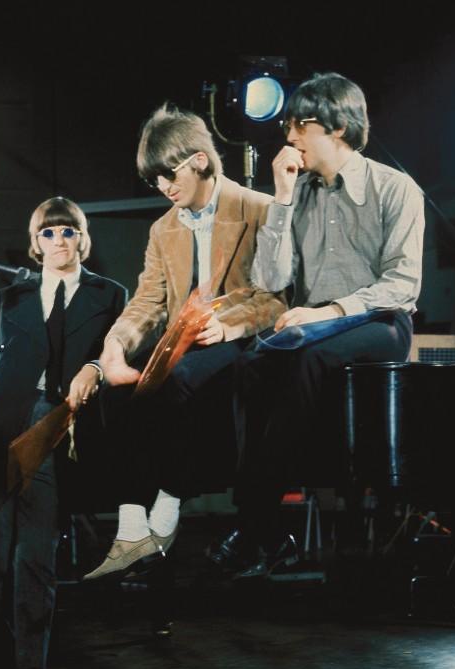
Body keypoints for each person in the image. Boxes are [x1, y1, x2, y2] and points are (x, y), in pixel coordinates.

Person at [213, 71, 425, 580]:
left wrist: (330, 312)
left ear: (336, 127)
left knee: (306, 358)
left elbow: (402, 286)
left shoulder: (394, 190)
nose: (289, 136)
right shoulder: (299, 192)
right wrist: (282, 197)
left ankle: (255, 526)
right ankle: (264, 527)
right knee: (249, 366)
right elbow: (270, 278)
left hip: (377, 321)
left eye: (299, 124)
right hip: (310, 324)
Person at [81, 104, 284, 579]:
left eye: (169, 174)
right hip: (184, 345)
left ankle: (164, 517)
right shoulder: (162, 229)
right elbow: (147, 302)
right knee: (119, 394)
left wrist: (230, 326)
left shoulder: (259, 209)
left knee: (176, 385)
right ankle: (136, 530)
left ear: (199, 160)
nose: (163, 188)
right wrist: (115, 345)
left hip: (240, 343)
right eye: (154, 181)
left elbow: (278, 298)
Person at [0, 197, 126, 669]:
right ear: (35, 242)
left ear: (83, 238)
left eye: (67, 231)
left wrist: (94, 366)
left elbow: (123, 355)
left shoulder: (108, 295)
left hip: (53, 431)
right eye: (47, 233)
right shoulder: (11, 298)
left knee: (34, 553)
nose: (58, 241)